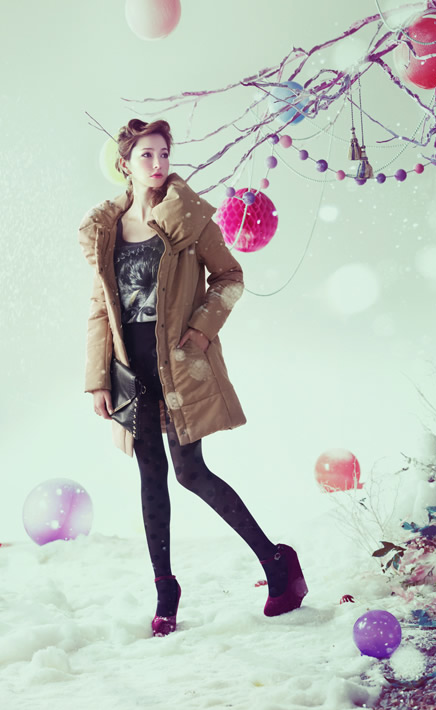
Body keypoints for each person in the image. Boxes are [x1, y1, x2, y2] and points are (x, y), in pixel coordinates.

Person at [78, 118, 307, 636]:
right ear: (125, 164)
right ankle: (166, 590)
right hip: (129, 369)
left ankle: (276, 562)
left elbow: (230, 276)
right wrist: (98, 379)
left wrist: (202, 331)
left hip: (177, 363)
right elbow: (99, 307)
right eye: (146, 155)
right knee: (150, 475)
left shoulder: (189, 217)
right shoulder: (106, 229)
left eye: (164, 153)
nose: (158, 163)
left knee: (190, 473)